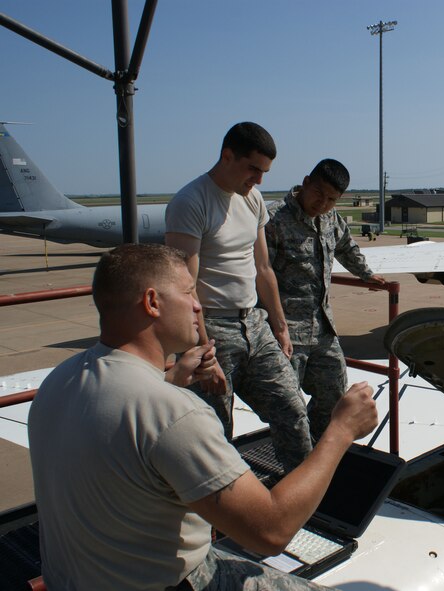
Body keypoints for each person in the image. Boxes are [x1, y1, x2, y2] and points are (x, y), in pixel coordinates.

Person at [28, 244, 378, 589]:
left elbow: (120, 420)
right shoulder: (173, 412)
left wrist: (169, 380)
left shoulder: (60, 380)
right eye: (189, 293)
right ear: (152, 303)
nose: (199, 306)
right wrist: (340, 430)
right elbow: (271, 531)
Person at [165, 122, 312, 471]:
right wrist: (203, 354)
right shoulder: (191, 202)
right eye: (253, 169)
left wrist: (280, 326)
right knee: (213, 433)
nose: (259, 180)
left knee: (292, 411)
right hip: (211, 328)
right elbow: (185, 287)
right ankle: (218, 517)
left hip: (254, 323)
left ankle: (302, 498)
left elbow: (263, 268)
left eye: (264, 172)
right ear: (227, 156)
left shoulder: (253, 199)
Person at [265, 159, 386, 442]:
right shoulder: (273, 219)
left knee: (334, 396)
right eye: (319, 193)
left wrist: (366, 274)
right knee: (287, 408)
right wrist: (274, 327)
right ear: (305, 182)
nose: (323, 203)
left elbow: (345, 246)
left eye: (332, 199)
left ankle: (318, 455)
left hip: (323, 330)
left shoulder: (331, 218)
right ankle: (293, 465)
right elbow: (260, 274)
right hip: (285, 333)